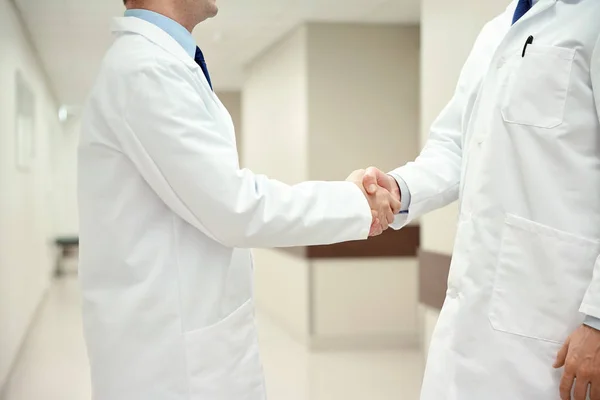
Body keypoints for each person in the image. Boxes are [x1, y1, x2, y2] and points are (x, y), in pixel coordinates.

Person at [77, 0, 400, 399]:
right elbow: (234, 207)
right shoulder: (145, 70)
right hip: (170, 366)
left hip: (178, 344)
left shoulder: (160, 65)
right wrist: (354, 202)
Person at [362, 0, 600, 399]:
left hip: (558, 327)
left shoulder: (590, 16)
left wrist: (598, 320)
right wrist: (399, 188)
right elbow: (455, 145)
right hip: (470, 319)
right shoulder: (494, 31)